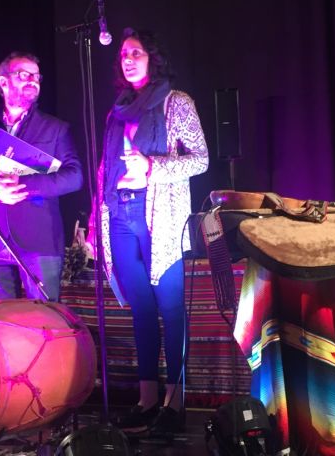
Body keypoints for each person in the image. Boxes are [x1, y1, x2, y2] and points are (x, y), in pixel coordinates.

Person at [87, 28, 209, 435]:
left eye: (136, 52)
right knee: (141, 308)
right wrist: (96, 219)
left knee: (170, 308)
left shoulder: (177, 102)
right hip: (119, 214)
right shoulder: (117, 110)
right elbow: (105, 169)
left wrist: (153, 168)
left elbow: (201, 159)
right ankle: (147, 400)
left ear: (152, 58)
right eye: (123, 53)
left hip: (161, 216)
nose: (127, 58)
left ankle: (174, 404)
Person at [0, 51, 82, 302]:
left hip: (40, 240)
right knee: (0, 320)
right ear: (3, 82)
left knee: (43, 318)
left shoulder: (56, 128)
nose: (33, 81)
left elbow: (75, 176)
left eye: (37, 76)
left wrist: (25, 185)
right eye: (25, 75)